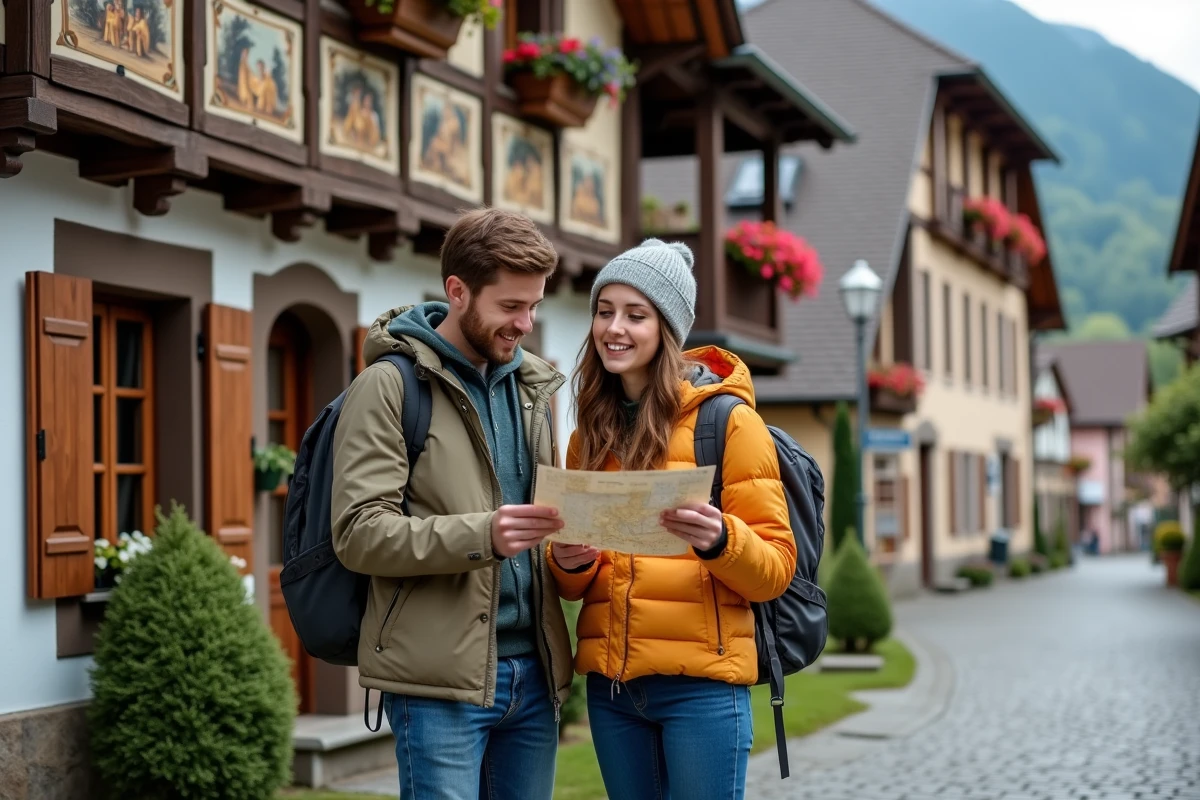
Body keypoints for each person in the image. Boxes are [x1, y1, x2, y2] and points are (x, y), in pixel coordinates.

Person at [331, 208, 576, 800]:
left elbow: (539, 524)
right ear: (457, 291)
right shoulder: (388, 387)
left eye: (535, 306)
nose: (526, 323)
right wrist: (483, 536)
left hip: (536, 678)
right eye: (510, 307)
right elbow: (359, 533)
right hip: (438, 686)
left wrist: (568, 554)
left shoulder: (533, 391)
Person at [549, 239, 797, 800]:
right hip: (614, 693)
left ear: (668, 330)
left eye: (636, 315)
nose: (615, 328)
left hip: (702, 690)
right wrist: (567, 563)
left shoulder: (729, 423)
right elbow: (575, 584)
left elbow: (776, 570)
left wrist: (720, 540)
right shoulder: (586, 438)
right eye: (604, 311)